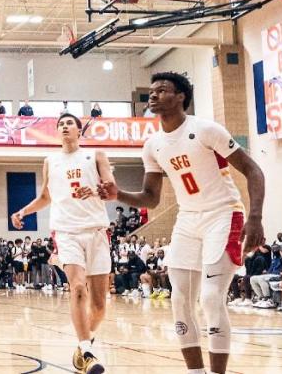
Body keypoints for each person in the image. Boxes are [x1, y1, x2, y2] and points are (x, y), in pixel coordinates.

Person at [101, 72, 265, 374]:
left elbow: (253, 170)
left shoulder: (205, 130)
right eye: (151, 91)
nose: (153, 96)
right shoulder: (152, 145)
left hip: (224, 213)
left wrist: (255, 218)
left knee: (212, 298)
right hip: (187, 219)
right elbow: (151, 198)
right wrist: (118, 193)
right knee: (179, 300)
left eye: (162, 90)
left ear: (181, 98)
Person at [12, 112, 112, 374]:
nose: (65, 126)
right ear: (57, 132)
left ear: (79, 130)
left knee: (100, 305)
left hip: (97, 230)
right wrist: (23, 211)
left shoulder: (96, 156)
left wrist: (98, 190)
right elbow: (46, 196)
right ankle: (87, 350)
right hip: (66, 231)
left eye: (70, 123)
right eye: (60, 124)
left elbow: (111, 189)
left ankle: (82, 348)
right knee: (78, 287)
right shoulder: (51, 161)